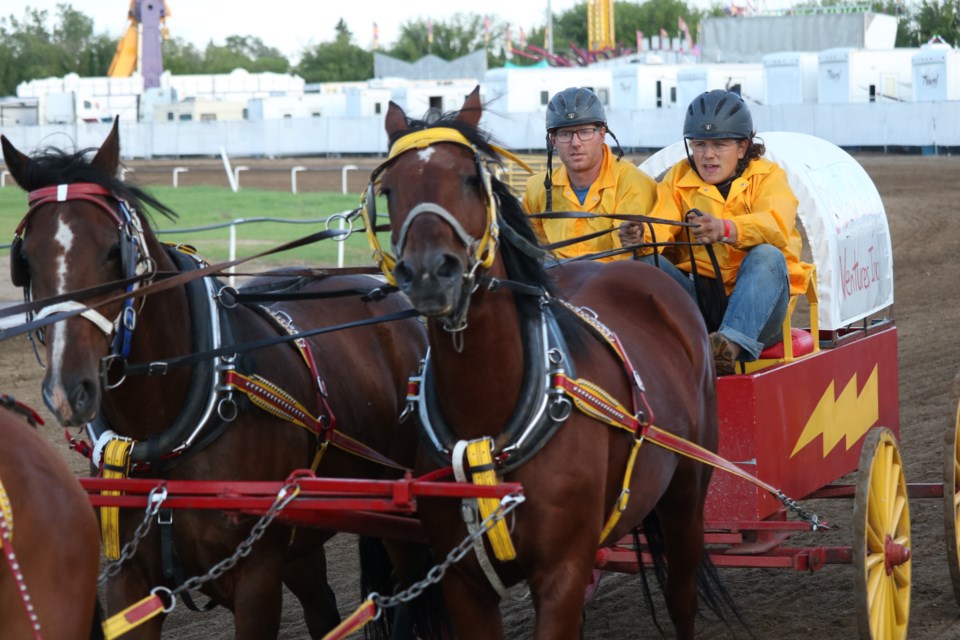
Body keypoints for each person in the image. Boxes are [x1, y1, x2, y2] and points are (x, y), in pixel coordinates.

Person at [620, 89, 813, 375]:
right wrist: (641, 237)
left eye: (719, 145)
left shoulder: (769, 176)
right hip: (699, 299)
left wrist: (726, 229)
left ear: (743, 147)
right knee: (645, 262)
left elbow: (777, 226)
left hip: (759, 311)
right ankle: (651, 347)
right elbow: (660, 223)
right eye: (699, 145)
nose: (708, 155)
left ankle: (729, 348)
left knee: (767, 255)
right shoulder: (677, 179)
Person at [523, 87, 656, 262]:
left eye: (584, 132)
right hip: (559, 281)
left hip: (613, 282)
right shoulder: (536, 188)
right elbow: (531, 246)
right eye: (565, 134)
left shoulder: (634, 183)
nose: (575, 143)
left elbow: (623, 259)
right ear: (553, 141)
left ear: (602, 134)